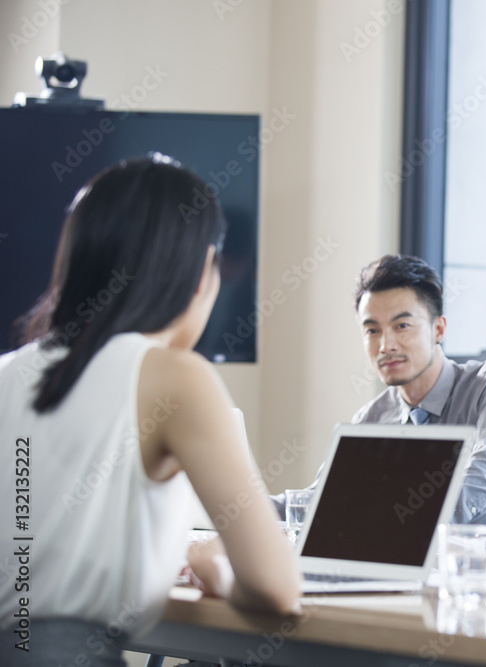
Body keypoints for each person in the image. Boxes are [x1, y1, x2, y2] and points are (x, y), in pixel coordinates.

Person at [0, 156, 300, 666]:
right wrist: (214, 568)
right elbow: (276, 587)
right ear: (202, 271)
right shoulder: (176, 376)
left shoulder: (7, 371)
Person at [352, 254, 486, 526]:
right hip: (410, 562)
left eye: (401, 326)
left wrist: (406, 524)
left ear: (438, 329)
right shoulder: (371, 419)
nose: (385, 345)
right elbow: (321, 498)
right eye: (372, 331)